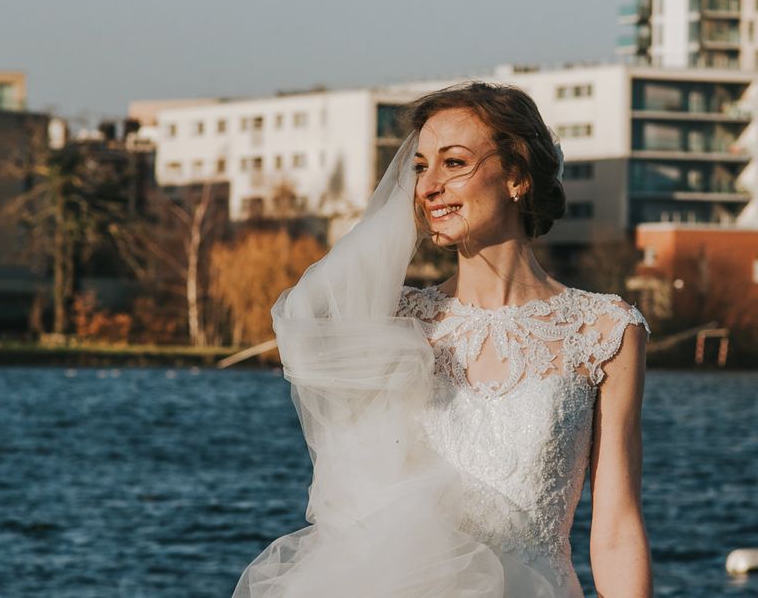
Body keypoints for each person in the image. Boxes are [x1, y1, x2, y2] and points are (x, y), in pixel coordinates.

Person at [234, 82, 653, 598]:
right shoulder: (395, 320)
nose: (428, 185)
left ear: (517, 176)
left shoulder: (606, 330)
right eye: (420, 166)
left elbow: (615, 529)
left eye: (454, 163)